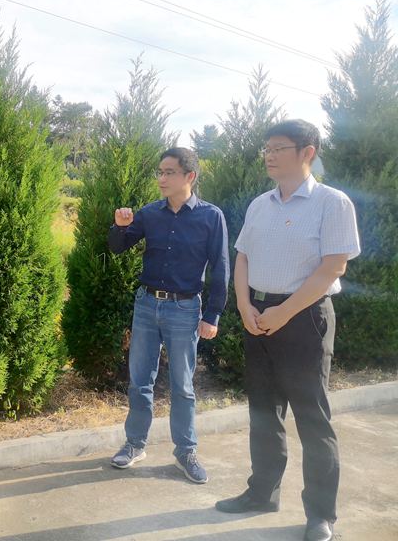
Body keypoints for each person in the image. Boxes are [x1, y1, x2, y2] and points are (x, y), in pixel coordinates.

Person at [215, 120, 360, 541]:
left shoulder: (332, 203)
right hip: (258, 314)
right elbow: (242, 256)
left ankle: (320, 515)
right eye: (267, 148)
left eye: (278, 148)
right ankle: (262, 493)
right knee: (263, 411)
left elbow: (333, 267)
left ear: (307, 152)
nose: (269, 155)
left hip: (305, 317)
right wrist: (244, 304)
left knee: (312, 417)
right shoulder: (260, 204)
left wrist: (284, 312)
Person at [108, 146, 229, 484]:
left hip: (185, 309)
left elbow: (221, 267)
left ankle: (185, 451)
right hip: (147, 305)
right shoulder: (150, 213)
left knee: (183, 385)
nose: (162, 178)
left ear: (190, 176)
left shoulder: (211, 216)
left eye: (169, 172)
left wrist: (213, 315)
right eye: (160, 172)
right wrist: (120, 227)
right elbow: (118, 246)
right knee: (140, 381)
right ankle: (134, 444)